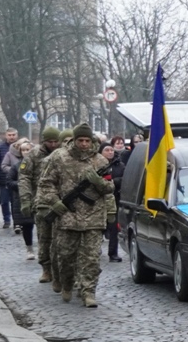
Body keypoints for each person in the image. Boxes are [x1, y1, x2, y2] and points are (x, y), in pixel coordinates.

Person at [36, 123, 114, 306]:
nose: (84, 144)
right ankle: (67, 283)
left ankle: (88, 292)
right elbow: (46, 183)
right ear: (75, 140)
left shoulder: (100, 161)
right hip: (67, 217)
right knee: (65, 256)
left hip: (94, 217)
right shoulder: (59, 158)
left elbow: (110, 187)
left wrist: (98, 182)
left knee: (92, 258)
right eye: (81, 140)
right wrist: (54, 202)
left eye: (88, 140)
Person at [28, 127, 63, 281]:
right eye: (50, 141)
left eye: (56, 141)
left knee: (60, 239)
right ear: (44, 141)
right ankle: (46, 268)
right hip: (40, 201)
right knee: (44, 238)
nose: (53, 144)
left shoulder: (63, 154)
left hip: (60, 202)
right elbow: (24, 177)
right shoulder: (34, 154)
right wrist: (25, 200)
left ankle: (59, 269)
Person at [7, 139, 36, 259]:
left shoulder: (39, 164)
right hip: (22, 198)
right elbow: (9, 181)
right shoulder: (16, 166)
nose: (25, 152)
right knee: (27, 225)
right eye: (23, 150)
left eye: (27, 150)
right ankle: (29, 249)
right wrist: (21, 185)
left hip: (38, 196)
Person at [0, 127, 18, 227]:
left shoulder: (20, 146)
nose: (11, 137)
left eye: (13, 135)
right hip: (3, 179)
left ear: (17, 135)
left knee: (16, 202)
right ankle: (6, 220)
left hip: (17, 179)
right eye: (9, 135)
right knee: (4, 201)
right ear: (6, 136)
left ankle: (17, 221)